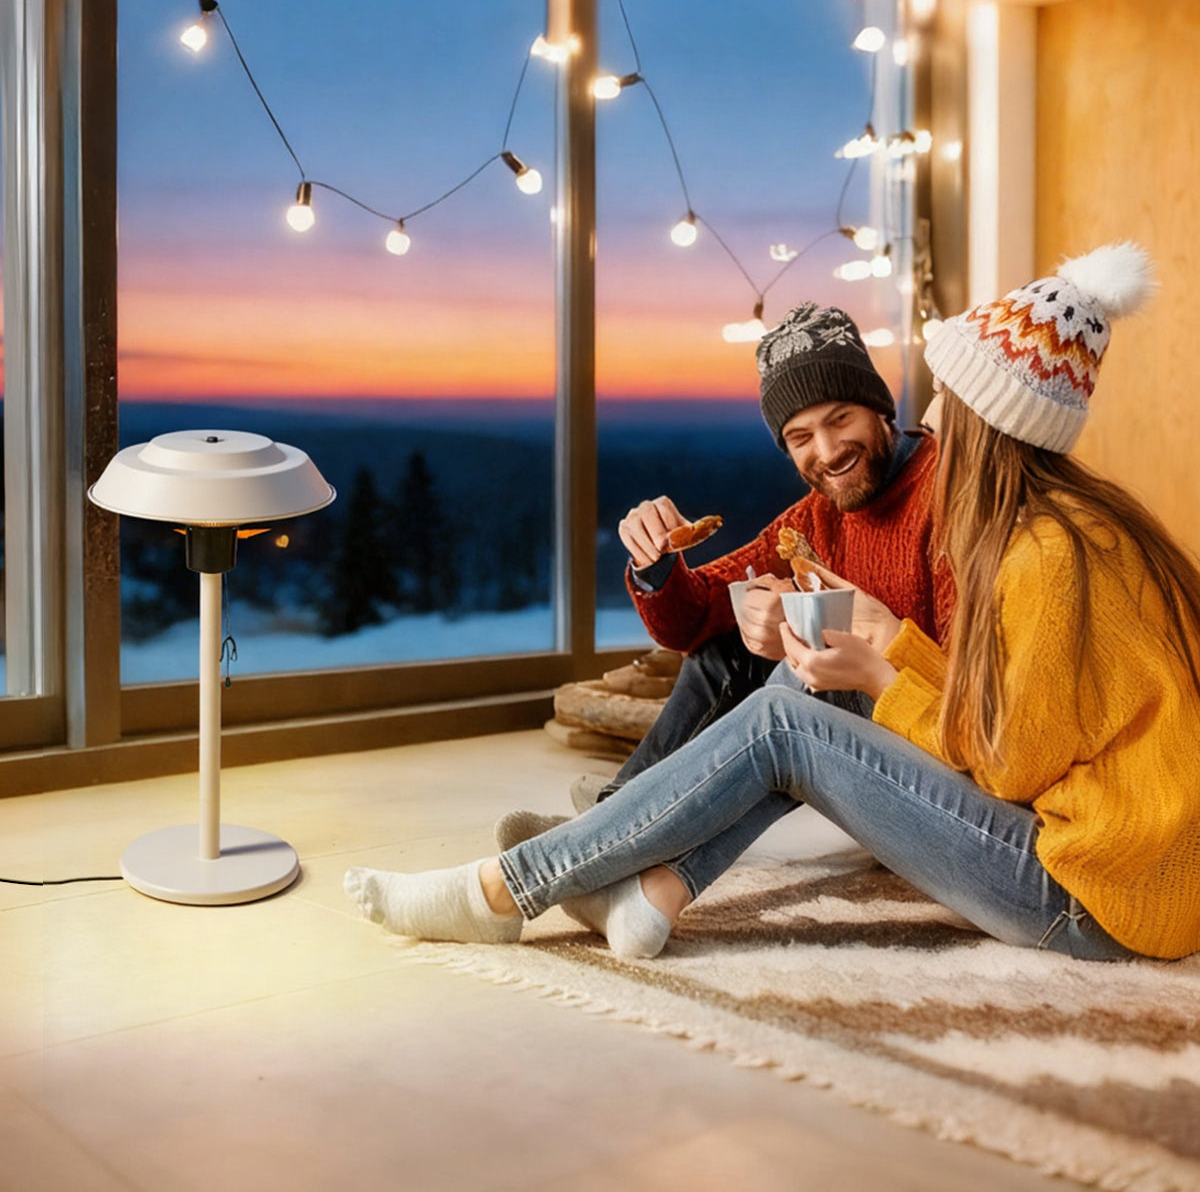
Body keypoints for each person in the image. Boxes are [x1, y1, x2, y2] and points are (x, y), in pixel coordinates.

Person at [346, 243, 1200, 964]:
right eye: (800, 435)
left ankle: (508, 888)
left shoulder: (1041, 551)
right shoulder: (1071, 526)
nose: (931, 418)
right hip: (1104, 868)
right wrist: (666, 573)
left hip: (1091, 896)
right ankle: (649, 889)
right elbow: (707, 616)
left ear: (983, 424)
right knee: (790, 692)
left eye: (944, 401)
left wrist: (882, 660)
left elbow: (1010, 763)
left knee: (787, 718)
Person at [573, 300, 954, 812]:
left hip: (929, 752)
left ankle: (620, 824)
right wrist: (655, 562)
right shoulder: (813, 518)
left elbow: (965, 678)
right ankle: (622, 811)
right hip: (851, 735)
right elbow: (693, 620)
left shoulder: (948, 490)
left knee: (793, 669)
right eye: (800, 438)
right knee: (723, 649)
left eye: (840, 419)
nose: (827, 450)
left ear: (878, 408)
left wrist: (826, 634)